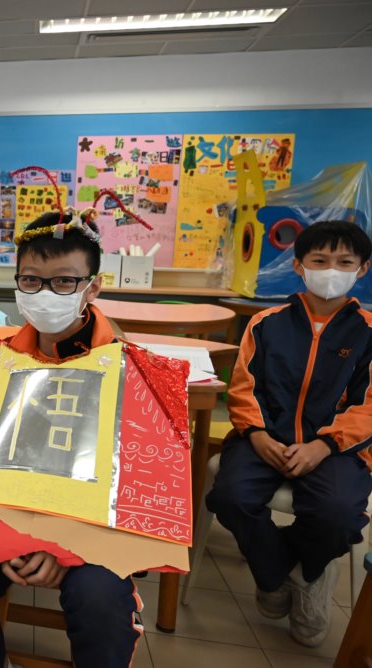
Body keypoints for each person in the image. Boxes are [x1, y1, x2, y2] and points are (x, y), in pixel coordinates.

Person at [0, 210, 144, 668]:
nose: (45, 294)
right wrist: (0, 540)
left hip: (89, 534)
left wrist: (62, 548)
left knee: (101, 598)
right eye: (31, 281)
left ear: (93, 287)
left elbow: (134, 485)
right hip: (3, 520)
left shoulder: (128, 369)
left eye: (64, 282)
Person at [206, 220, 372, 647]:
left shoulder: (369, 332)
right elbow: (243, 387)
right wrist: (257, 434)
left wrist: (325, 444)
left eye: (344, 262)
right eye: (320, 260)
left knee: (338, 515)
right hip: (263, 440)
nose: (331, 270)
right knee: (230, 497)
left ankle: (303, 572)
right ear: (299, 266)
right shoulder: (266, 323)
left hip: (337, 450)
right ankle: (278, 574)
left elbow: (368, 405)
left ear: (362, 269)